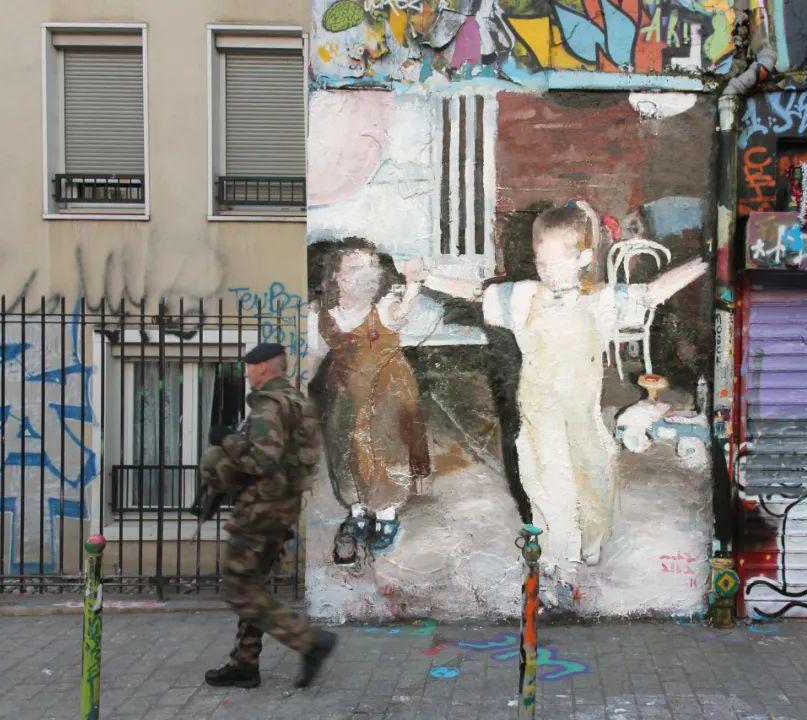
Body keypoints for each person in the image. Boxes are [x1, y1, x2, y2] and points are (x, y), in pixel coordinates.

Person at [404, 201, 707, 585]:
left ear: (583, 258)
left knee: (593, 473)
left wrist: (705, 262)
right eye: (540, 261)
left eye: (554, 262)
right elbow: (477, 292)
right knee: (546, 478)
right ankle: (556, 553)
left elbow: (651, 292)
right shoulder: (524, 296)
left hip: (582, 412)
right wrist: (428, 276)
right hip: (538, 409)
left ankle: (591, 538)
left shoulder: (600, 301)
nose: (545, 271)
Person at [198, 343, 336, 689]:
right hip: (282, 508)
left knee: (239, 590)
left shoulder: (268, 406)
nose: (246, 373)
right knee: (253, 586)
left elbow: (262, 460)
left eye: (249, 367)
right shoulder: (297, 403)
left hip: (259, 512)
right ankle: (244, 664)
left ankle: (309, 641)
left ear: (262, 368)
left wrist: (226, 440)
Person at [311, 239, 430, 567]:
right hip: (345, 390)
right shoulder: (324, 313)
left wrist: (413, 286)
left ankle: (386, 514)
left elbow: (402, 312)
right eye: (355, 269)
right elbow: (315, 353)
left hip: (387, 389)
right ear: (335, 277)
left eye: (372, 269)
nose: (366, 276)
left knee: (385, 448)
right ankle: (358, 510)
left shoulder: (384, 307)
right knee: (345, 447)